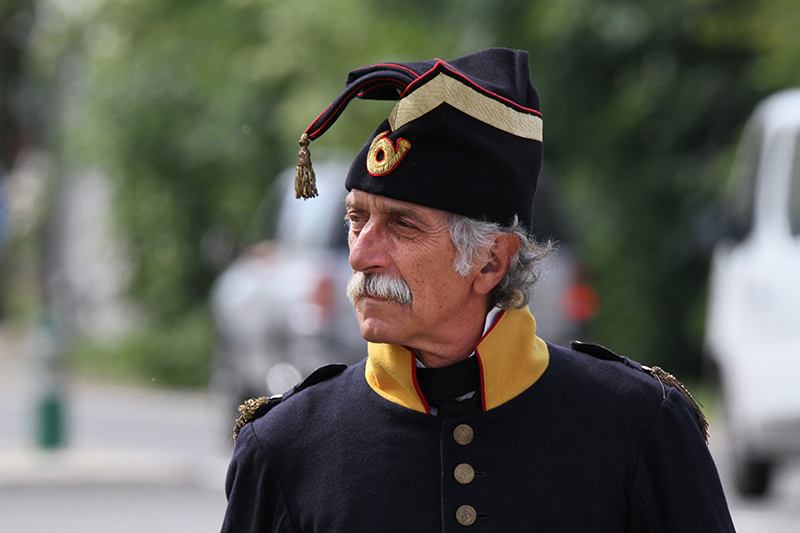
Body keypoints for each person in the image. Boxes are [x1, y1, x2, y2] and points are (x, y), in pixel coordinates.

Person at [220, 48, 735, 532]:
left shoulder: (639, 427)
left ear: (490, 262)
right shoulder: (285, 445)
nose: (359, 253)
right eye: (357, 219)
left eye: (401, 225)